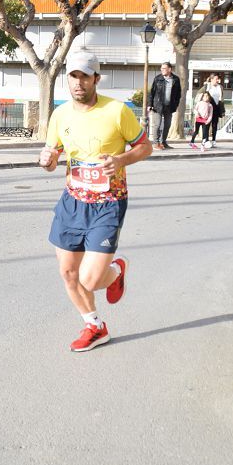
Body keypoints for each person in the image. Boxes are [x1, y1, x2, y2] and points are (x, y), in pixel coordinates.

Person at [39, 50, 152, 352]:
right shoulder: (60, 114)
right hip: (73, 201)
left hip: (108, 202)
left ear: (96, 79)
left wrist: (121, 159)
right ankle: (95, 326)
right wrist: (47, 159)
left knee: (89, 279)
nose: (79, 83)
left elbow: (145, 147)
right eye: (73, 76)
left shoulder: (117, 111)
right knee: (68, 273)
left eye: (85, 76)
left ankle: (116, 270)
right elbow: (52, 157)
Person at [148, 62, 181, 150]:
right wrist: (149, 104)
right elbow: (152, 92)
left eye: (164, 68)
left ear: (169, 69)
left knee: (167, 125)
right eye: (161, 68)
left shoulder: (175, 79)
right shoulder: (157, 78)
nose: (162, 70)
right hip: (157, 106)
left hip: (169, 106)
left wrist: (176, 104)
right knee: (157, 125)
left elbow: (178, 94)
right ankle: (156, 143)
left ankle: (163, 142)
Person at [205, 74, 224, 147]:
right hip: (209, 107)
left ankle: (213, 140)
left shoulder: (220, 87)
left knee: (215, 124)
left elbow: (221, 97)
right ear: (211, 79)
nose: (217, 80)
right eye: (216, 79)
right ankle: (206, 140)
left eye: (218, 79)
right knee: (207, 124)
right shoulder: (208, 86)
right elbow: (203, 94)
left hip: (216, 107)